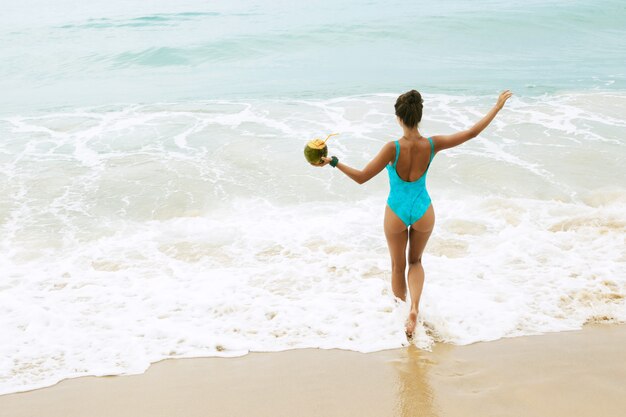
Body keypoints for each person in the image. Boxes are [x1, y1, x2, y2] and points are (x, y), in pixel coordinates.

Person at [311, 89, 513, 339]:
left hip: (396, 211)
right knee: (415, 262)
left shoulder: (392, 148)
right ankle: (415, 309)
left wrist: (332, 162)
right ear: (419, 116)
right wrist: (496, 107)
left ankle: (401, 319)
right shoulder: (431, 144)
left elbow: (362, 178)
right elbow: (472, 133)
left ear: (398, 118)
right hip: (423, 210)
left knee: (398, 266)